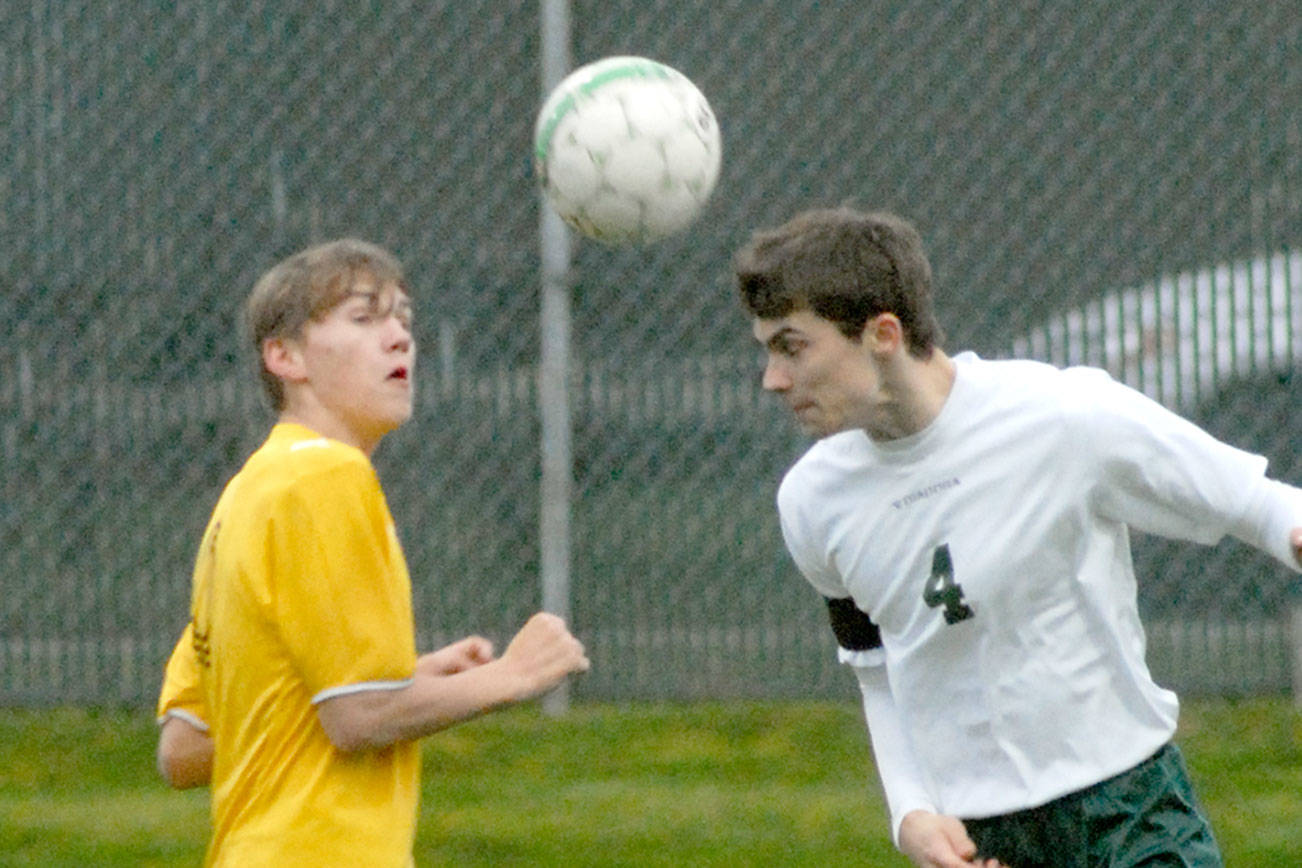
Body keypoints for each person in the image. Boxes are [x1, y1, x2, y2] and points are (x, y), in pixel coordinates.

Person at [734, 206, 1302, 868]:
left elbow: (1256, 504)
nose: (773, 380)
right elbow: (876, 669)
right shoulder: (812, 503)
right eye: (767, 350)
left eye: (792, 347)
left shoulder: (1062, 416)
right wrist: (911, 812)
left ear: (882, 333)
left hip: (1130, 812)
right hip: (982, 842)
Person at [154, 238, 589, 867]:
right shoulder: (329, 479)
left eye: (404, 320)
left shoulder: (246, 497)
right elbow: (359, 717)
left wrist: (405, 678)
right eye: (365, 319)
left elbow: (186, 745)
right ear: (285, 355)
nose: (399, 338)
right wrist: (510, 676)